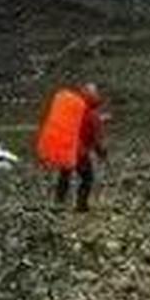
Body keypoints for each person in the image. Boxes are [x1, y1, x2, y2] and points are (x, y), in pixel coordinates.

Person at [36, 83, 107, 212]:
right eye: (96, 93)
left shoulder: (74, 110)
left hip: (67, 149)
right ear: (93, 97)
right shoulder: (92, 116)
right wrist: (102, 153)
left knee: (65, 175)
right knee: (87, 178)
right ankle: (81, 205)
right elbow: (96, 139)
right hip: (81, 153)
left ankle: (59, 202)